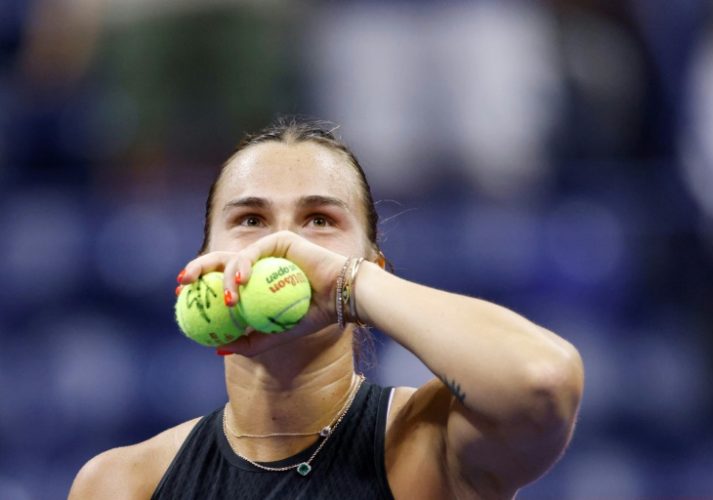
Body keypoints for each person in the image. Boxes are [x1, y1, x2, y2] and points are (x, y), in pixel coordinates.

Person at [69, 117, 584, 499]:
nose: (283, 244)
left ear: (372, 268)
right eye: (250, 219)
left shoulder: (428, 444)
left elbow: (540, 380)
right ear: (208, 260)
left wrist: (349, 285)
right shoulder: (123, 483)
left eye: (319, 220)